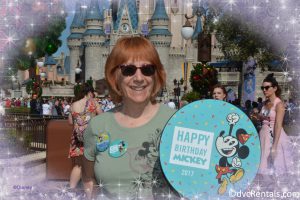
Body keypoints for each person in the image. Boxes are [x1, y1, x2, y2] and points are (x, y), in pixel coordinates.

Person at [82, 36, 177, 199]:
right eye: (128, 70)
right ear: (115, 77)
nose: (139, 78)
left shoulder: (176, 123)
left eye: (147, 69)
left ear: (156, 75)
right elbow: (88, 178)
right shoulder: (98, 126)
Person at [257, 73, 292, 180]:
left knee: (274, 172)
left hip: (273, 138)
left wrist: (274, 146)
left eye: (267, 87)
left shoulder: (279, 104)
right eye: (262, 87)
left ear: (275, 88)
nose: (264, 90)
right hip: (263, 137)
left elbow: (278, 125)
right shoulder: (265, 103)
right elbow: (264, 118)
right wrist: (257, 115)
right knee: (262, 172)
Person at [68, 83, 102, 190]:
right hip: (91, 138)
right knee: (90, 166)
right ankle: (90, 194)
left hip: (77, 139)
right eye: (93, 93)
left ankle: (71, 189)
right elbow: (102, 117)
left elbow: (70, 122)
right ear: (89, 92)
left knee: (78, 165)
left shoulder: (73, 105)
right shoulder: (93, 103)